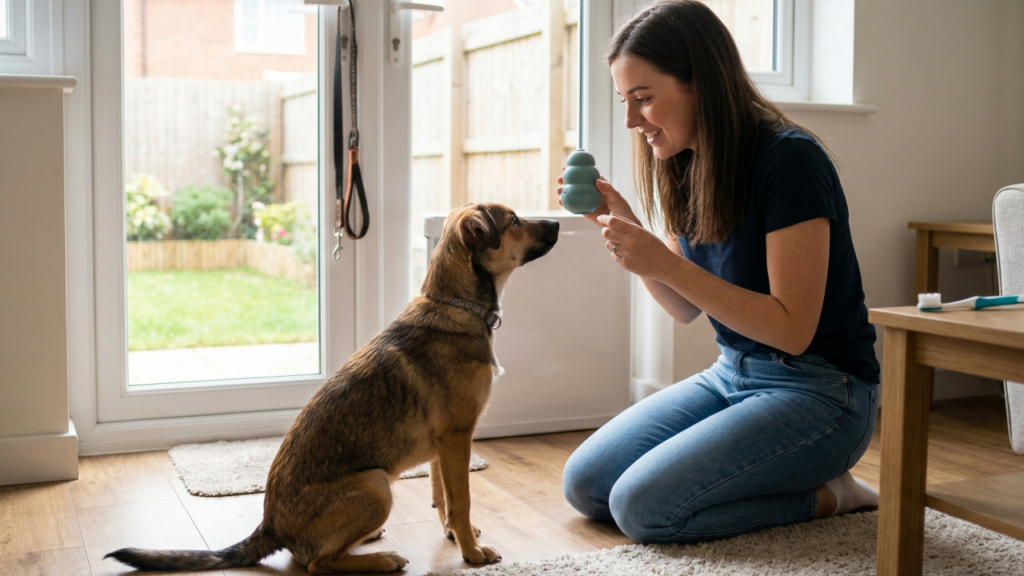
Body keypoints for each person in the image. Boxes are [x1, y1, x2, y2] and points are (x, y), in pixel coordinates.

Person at [558, 0, 881, 544]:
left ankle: (832, 493)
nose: (631, 121)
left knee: (644, 510)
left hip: (824, 393)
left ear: (700, 84)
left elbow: (791, 329)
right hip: (733, 373)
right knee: (586, 484)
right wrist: (627, 230)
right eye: (625, 101)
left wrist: (664, 261)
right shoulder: (687, 162)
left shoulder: (791, 161)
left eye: (643, 99)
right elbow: (685, 308)